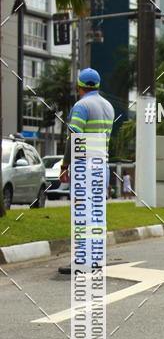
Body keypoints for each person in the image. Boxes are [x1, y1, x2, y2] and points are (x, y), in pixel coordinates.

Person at [58, 68, 115, 275]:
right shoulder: (108, 107)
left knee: (82, 214)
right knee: (97, 214)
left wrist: (65, 166)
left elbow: (73, 139)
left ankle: (81, 261)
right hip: (102, 166)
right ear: (98, 85)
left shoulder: (81, 106)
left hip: (85, 166)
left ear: (79, 86)